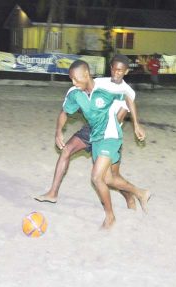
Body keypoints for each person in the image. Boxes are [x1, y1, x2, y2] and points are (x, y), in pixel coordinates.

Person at [37, 59, 150, 228]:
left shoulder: (113, 88)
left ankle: (123, 204)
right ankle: (53, 192)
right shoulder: (79, 91)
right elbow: (64, 112)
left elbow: (126, 102)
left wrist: (135, 125)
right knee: (105, 177)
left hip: (110, 134)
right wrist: (58, 131)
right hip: (92, 131)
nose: (74, 83)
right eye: (72, 80)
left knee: (103, 177)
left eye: (76, 79)